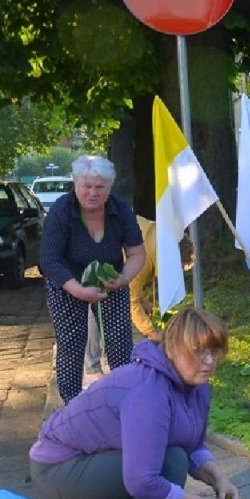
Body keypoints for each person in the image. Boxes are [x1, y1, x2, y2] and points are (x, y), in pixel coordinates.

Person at [29, 307, 238, 499]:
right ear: (173, 348)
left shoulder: (197, 386)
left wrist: (217, 478)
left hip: (106, 463)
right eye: (199, 351)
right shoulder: (148, 391)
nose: (209, 361)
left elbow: (192, 443)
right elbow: (143, 480)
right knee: (170, 461)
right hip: (60, 470)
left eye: (215, 351)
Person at [39, 155, 148, 404]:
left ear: (109, 188)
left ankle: (123, 399)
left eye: (99, 187)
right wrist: (78, 290)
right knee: (71, 342)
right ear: (75, 185)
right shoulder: (60, 211)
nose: (92, 193)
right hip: (67, 281)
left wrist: (123, 279)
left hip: (111, 278)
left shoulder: (121, 210)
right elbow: (49, 261)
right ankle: (72, 405)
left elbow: (136, 253)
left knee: (120, 341)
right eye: (86, 186)